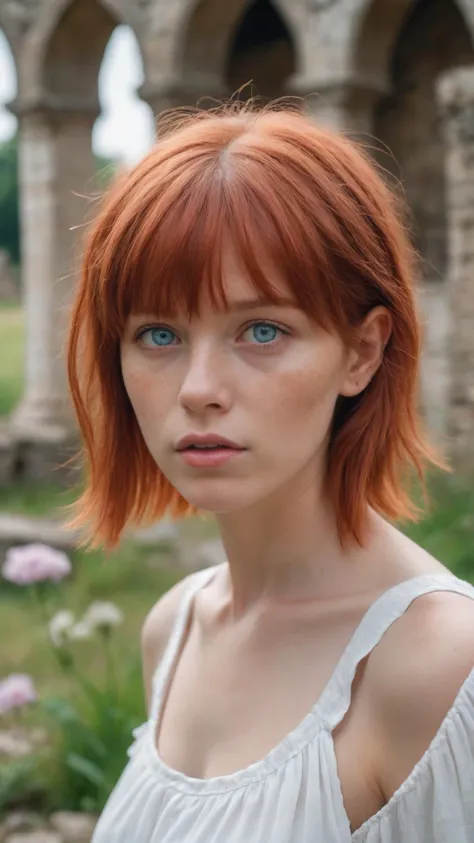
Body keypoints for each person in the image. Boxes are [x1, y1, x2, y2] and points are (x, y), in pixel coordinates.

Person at [67, 102, 474, 843]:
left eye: (262, 330)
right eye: (158, 333)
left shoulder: (440, 665)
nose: (198, 387)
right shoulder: (175, 626)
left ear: (363, 351)